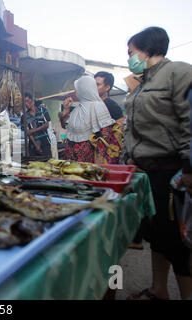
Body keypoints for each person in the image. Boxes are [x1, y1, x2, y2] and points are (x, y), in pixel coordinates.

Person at [123, 27, 192, 300]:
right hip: (147, 171)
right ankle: (158, 290)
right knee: (158, 235)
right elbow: (135, 129)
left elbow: (190, 121)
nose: (129, 58)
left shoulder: (179, 73)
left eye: (131, 53)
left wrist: (189, 168)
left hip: (173, 171)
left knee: (178, 241)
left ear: (147, 49)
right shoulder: (142, 84)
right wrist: (131, 158)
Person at [59, 76, 116, 163]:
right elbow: (65, 126)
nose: (75, 92)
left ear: (84, 89)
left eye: (77, 89)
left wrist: (99, 157)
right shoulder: (77, 109)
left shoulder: (98, 106)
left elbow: (106, 134)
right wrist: (66, 109)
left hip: (89, 158)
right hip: (71, 157)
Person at [22, 93, 52, 158]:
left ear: (32, 100)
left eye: (28, 100)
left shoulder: (42, 110)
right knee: (34, 165)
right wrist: (36, 146)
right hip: (33, 146)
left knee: (48, 164)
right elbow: (28, 133)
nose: (27, 103)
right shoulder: (24, 116)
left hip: (45, 143)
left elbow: (46, 125)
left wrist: (32, 130)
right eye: (25, 102)